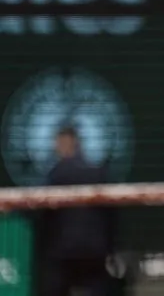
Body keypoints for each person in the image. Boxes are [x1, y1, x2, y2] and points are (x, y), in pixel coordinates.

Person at [34, 125, 117, 296]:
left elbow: (45, 218)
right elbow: (112, 217)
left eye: (59, 142)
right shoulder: (98, 173)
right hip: (94, 251)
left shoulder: (56, 175)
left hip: (64, 252)